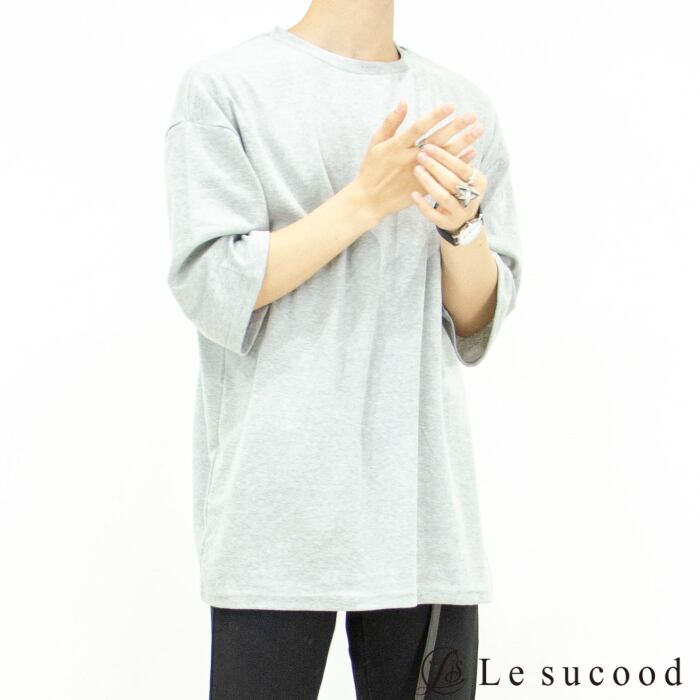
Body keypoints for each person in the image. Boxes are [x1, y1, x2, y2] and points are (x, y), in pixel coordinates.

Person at [163, 1, 522, 697]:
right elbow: (212, 286)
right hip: (277, 507)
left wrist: (461, 229)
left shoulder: (461, 105)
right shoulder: (224, 88)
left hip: (423, 516)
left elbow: (477, 320)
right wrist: (366, 198)